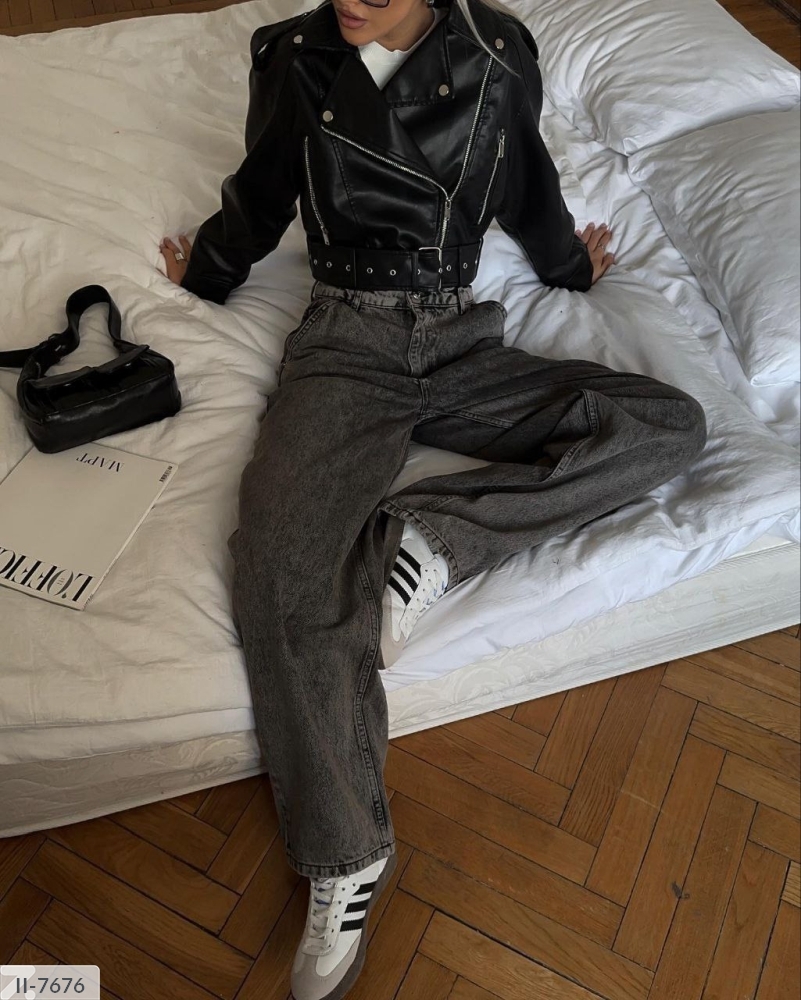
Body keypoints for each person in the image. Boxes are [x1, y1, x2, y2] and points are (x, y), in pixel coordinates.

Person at [159, 0, 707, 996]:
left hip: (460, 336)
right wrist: (202, 272)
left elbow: (526, 180)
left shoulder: (496, 51)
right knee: (278, 565)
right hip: (345, 342)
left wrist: (570, 266)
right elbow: (262, 187)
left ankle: (432, 543)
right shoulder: (294, 55)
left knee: (664, 423)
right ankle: (345, 854)